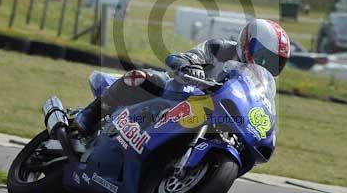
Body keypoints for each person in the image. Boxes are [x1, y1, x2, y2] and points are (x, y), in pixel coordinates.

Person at [71, 18, 290, 136]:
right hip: (182, 94)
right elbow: (182, 57)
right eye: (264, 57)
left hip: (214, 115)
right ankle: (90, 114)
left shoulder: (261, 84)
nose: (265, 66)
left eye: (274, 63)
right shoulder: (219, 49)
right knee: (139, 78)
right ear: (247, 43)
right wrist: (187, 66)